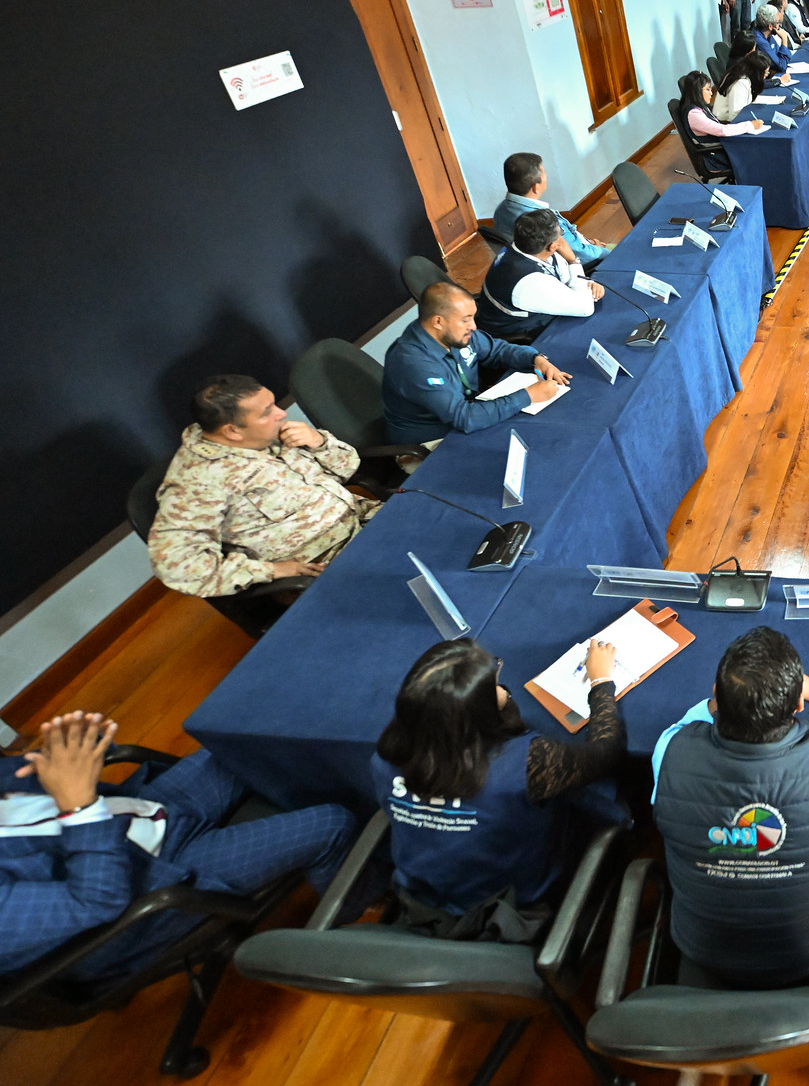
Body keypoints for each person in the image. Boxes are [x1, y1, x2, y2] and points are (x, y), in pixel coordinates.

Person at [0, 713, 356, 978]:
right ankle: (358, 915)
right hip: (152, 886)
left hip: (140, 813)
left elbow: (25, 772)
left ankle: (356, 818)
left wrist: (71, 749)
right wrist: (78, 804)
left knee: (245, 735)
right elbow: (94, 903)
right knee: (331, 824)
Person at [650, 626, 809, 987]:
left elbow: (685, 725)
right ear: (798, 705)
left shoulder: (669, 751)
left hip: (703, 949)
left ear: (716, 694)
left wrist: (729, 700)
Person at [373, 637, 625, 936]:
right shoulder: (526, 763)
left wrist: (496, 701)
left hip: (423, 899)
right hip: (509, 907)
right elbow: (606, 752)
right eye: (494, 683)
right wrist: (601, 682)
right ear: (477, 714)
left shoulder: (385, 757)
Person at [147, 374, 380, 598]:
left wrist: (319, 443)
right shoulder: (198, 483)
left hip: (364, 517)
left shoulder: (266, 433)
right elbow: (178, 566)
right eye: (267, 412)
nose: (281, 413)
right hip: (327, 560)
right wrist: (271, 571)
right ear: (232, 430)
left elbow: (348, 468)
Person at [382, 282, 570, 445]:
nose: (473, 326)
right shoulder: (413, 364)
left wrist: (535, 358)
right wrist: (528, 395)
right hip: (434, 440)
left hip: (469, 410)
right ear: (438, 322)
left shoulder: (453, 333)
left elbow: (497, 350)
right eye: (466, 320)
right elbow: (464, 418)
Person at [475, 208, 604, 342]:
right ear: (552, 246)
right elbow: (586, 308)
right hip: (522, 333)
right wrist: (573, 261)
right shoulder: (530, 281)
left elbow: (565, 277)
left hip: (524, 308)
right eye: (560, 233)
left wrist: (586, 283)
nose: (562, 239)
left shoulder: (521, 247)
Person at [494, 152, 612, 269]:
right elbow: (581, 254)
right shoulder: (543, 221)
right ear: (536, 187)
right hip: (578, 265)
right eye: (544, 174)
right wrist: (602, 250)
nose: (546, 176)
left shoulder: (500, 211)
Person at [680, 69, 768, 139]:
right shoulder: (694, 114)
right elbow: (722, 130)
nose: (711, 93)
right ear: (697, 91)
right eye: (707, 89)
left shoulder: (699, 107)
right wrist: (750, 125)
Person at [714, 49, 775, 121]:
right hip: (725, 122)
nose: (766, 75)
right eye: (765, 73)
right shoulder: (740, 83)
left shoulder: (741, 71)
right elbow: (735, 115)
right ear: (757, 72)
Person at [751, 4, 794, 70]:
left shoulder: (768, 35)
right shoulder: (760, 41)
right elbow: (781, 66)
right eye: (778, 22)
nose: (780, 26)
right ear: (770, 26)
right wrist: (784, 39)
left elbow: (780, 56)